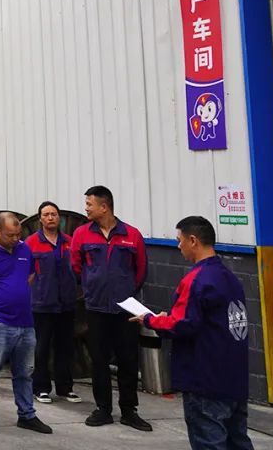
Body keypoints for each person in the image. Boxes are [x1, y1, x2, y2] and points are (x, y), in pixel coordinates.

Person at [133, 216, 253, 450]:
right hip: (234, 379)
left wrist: (149, 319)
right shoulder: (230, 278)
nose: (179, 246)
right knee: (237, 440)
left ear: (193, 240)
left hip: (205, 378)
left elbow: (181, 324)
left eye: (180, 240)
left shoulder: (196, 280)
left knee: (209, 441)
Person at [70, 185, 151, 431]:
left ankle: (129, 410)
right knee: (99, 360)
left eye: (90, 204)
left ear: (104, 207)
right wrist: (92, 288)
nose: (86, 208)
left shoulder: (132, 235)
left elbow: (141, 270)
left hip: (125, 311)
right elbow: (76, 266)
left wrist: (125, 293)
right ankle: (103, 409)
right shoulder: (82, 234)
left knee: (128, 360)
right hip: (95, 309)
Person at [0, 213, 52, 437]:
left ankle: (27, 415)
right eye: (10, 235)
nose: (16, 239)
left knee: (25, 372)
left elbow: (30, 276)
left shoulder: (24, 250)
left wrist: (15, 294)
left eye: (18, 234)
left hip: (25, 322)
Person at [24, 201, 80, 404]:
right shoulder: (30, 243)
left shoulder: (69, 242)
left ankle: (65, 388)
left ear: (59, 218)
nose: (50, 218)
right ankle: (40, 388)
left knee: (65, 347)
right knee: (41, 348)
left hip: (66, 303)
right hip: (42, 304)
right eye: (46, 214)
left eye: (54, 214)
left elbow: (79, 268)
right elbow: (24, 273)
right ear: (40, 219)